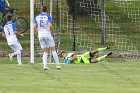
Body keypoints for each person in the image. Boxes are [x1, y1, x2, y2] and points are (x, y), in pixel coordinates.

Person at [34, 5, 61, 70]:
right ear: (47, 10)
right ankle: (58, 65)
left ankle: (45, 66)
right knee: (53, 50)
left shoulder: (37, 17)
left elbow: (34, 27)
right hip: (47, 34)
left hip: (40, 36)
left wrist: (37, 33)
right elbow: (49, 25)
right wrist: (53, 30)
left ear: (41, 10)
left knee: (45, 51)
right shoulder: (48, 16)